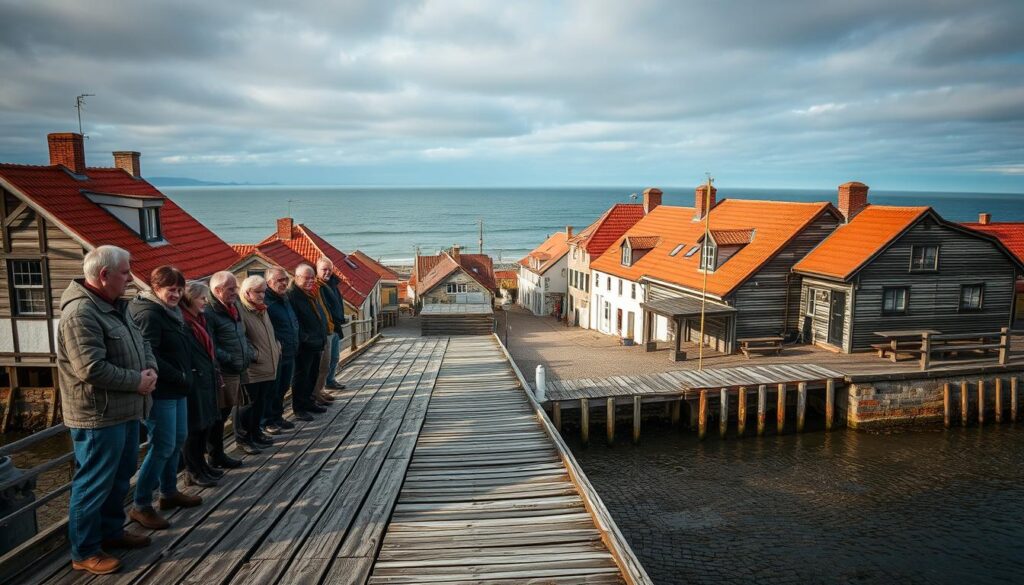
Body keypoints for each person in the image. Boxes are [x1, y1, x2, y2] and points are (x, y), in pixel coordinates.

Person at [57, 245, 157, 575]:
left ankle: (111, 532)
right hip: (98, 416)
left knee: (119, 476)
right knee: (94, 482)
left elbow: (141, 342)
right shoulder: (81, 314)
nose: (130, 278)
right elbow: (91, 368)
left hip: (125, 409)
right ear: (104, 275)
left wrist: (151, 370)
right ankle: (84, 550)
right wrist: (137, 382)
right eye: (125, 272)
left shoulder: (114, 305)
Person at [127, 266, 202, 531]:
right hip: (162, 390)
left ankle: (169, 492)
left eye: (180, 289)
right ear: (156, 288)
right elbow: (150, 354)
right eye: (171, 289)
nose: (177, 294)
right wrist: (179, 375)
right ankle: (141, 504)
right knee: (161, 445)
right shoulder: (149, 314)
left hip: (177, 388)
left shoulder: (170, 311)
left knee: (177, 439)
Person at [179, 281, 224, 487]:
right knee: (194, 428)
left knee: (205, 424)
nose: (206, 301)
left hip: (206, 378)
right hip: (194, 380)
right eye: (202, 298)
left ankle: (202, 465)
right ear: (189, 299)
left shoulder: (200, 320)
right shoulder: (184, 323)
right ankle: (193, 470)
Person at [204, 271, 252, 461]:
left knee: (233, 409)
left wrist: (246, 352)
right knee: (219, 416)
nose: (236, 292)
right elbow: (210, 344)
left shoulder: (233, 306)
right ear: (217, 290)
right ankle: (215, 455)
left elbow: (242, 334)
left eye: (236, 288)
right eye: (231, 289)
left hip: (239, 368)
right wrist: (231, 358)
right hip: (224, 372)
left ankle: (218, 453)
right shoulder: (210, 312)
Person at [238, 275, 281, 448]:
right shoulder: (242, 310)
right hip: (253, 369)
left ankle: (256, 433)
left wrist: (276, 346)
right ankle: (244, 438)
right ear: (247, 293)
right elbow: (241, 339)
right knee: (248, 406)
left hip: (267, 366)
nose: (262, 295)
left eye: (264, 291)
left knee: (260, 403)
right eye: (258, 292)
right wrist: (255, 355)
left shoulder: (262, 309)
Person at [287, 264, 327, 421]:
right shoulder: (292, 296)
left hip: (315, 343)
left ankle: (309, 402)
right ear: (297, 278)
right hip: (304, 346)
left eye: (312, 278)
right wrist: (306, 339)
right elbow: (295, 322)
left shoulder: (308, 293)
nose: (311, 281)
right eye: (307, 278)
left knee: (312, 374)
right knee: (301, 377)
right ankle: (299, 408)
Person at [263, 267, 299, 434]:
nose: (284, 283)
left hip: (290, 351)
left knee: (283, 387)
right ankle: (268, 421)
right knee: (272, 389)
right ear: (269, 283)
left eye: (285, 279)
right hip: (276, 354)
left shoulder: (285, 298)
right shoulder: (267, 303)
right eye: (280, 280)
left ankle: (277, 416)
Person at [315, 257, 347, 397]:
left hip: (335, 326)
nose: (327, 272)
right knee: (324, 362)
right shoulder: (316, 287)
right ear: (317, 270)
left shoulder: (333, 284)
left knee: (334, 357)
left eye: (329, 269)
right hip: (325, 329)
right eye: (324, 269)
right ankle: (320, 389)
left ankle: (330, 380)